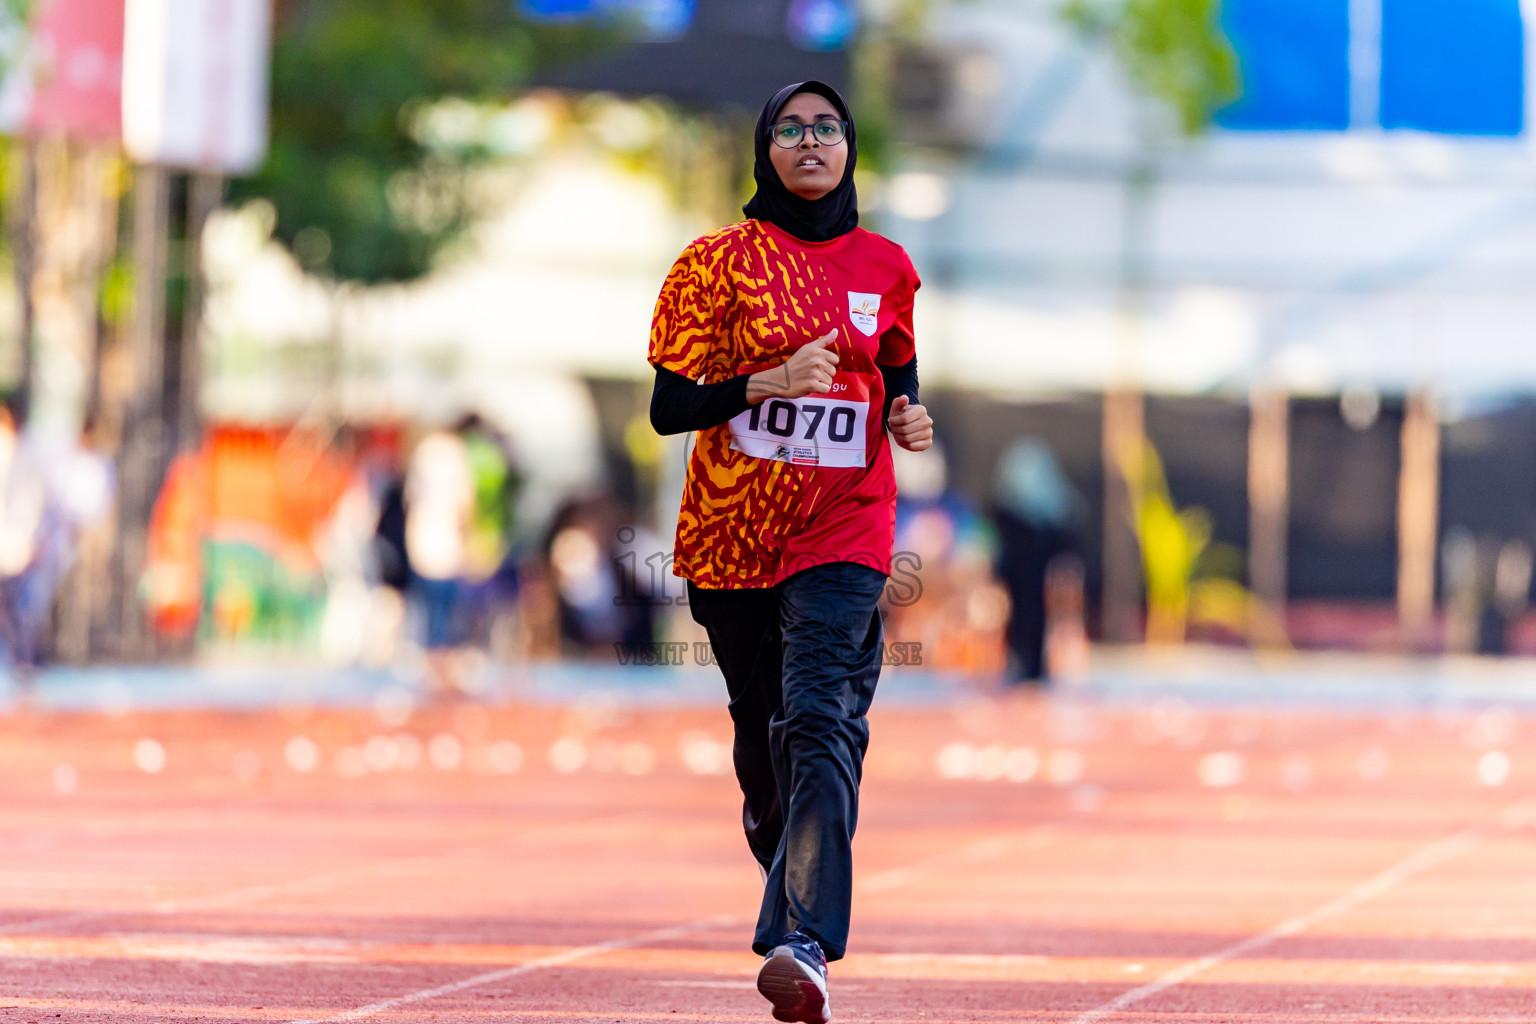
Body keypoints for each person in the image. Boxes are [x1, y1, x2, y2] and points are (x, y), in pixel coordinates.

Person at [648, 81, 931, 1024]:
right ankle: (791, 880)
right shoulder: (713, 266)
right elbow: (669, 409)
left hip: (846, 523)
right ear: (765, 147)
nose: (809, 142)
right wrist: (764, 379)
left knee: (818, 719)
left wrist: (910, 414)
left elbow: (898, 369)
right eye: (789, 129)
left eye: (827, 128)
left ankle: (803, 943)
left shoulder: (886, 265)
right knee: (766, 746)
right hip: (733, 536)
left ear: (850, 146)